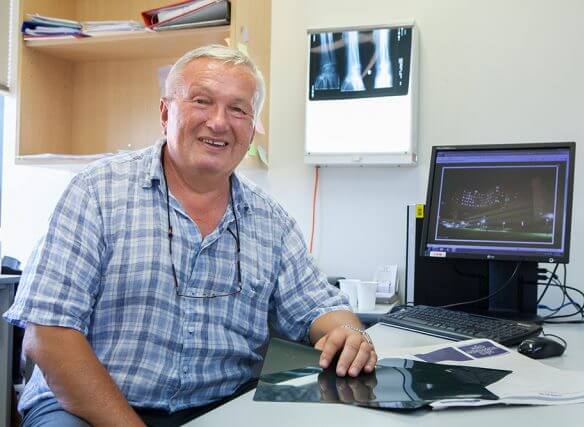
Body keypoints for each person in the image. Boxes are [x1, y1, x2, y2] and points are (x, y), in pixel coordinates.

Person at [3, 44, 376, 426]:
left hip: (216, 406)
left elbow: (322, 308)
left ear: (251, 129)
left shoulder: (272, 222)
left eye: (238, 109)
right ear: (166, 112)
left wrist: (348, 333)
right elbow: (48, 336)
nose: (218, 122)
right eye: (202, 101)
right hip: (84, 407)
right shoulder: (96, 192)